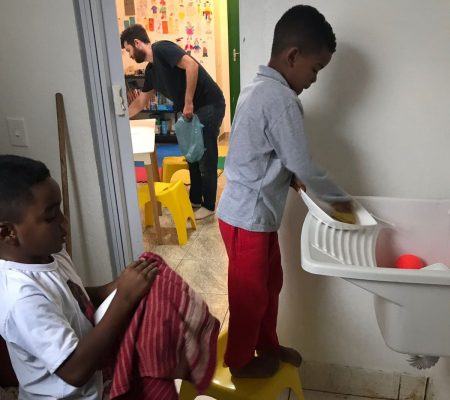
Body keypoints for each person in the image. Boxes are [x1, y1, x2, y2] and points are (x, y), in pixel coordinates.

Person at [216, 5, 356, 378]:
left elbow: (260, 149)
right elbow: (304, 163)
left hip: (252, 215)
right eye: (315, 69)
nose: (314, 79)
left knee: (270, 284)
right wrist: (339, 198)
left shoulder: (256, 88)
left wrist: (284, 174)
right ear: (292, 56)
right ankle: (240, 361)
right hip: (248, 218)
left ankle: (267, 345)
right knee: (249, 293)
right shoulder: (281, 100)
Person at [0, 155, 158, 399]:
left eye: (60, 210)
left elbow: (72, 296)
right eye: (51, 217)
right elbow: (74, 370)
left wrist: (114, 287)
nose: (64, 225)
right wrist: (123, 300)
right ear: (8, 232)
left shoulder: (50, 253)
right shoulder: (22, 299)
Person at [120, 24, 226, 220]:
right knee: (192, 155)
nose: (130, 55)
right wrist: (120, 119)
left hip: (209, 104)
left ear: (137, 43)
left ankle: (209, 205)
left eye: (128, 51)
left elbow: (192, 66)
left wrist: (187, 103)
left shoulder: (162, 49)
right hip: (191, 111)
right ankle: (195, 199)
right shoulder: (151, 71)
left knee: (206, 155)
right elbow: (142, 100)